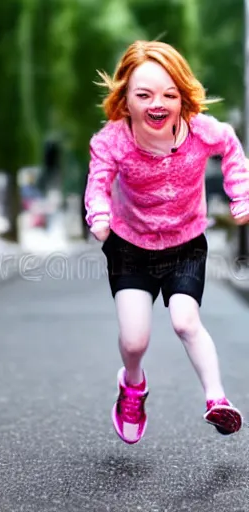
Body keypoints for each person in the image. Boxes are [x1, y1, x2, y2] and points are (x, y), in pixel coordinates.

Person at [84, 40, 249, 445]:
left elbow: (230, 146)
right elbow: (98, 181)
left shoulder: (201, 131)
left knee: (185, 321)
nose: (157, 104)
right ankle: (132, 387)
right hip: (129, 245)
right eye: (144, 95)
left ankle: (216, 400)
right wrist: (99, 213)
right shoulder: (112, 140)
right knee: (134, 340)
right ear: (125, 98)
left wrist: (241, 193)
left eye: (169, 95)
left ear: (183, 97)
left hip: (186, 242)